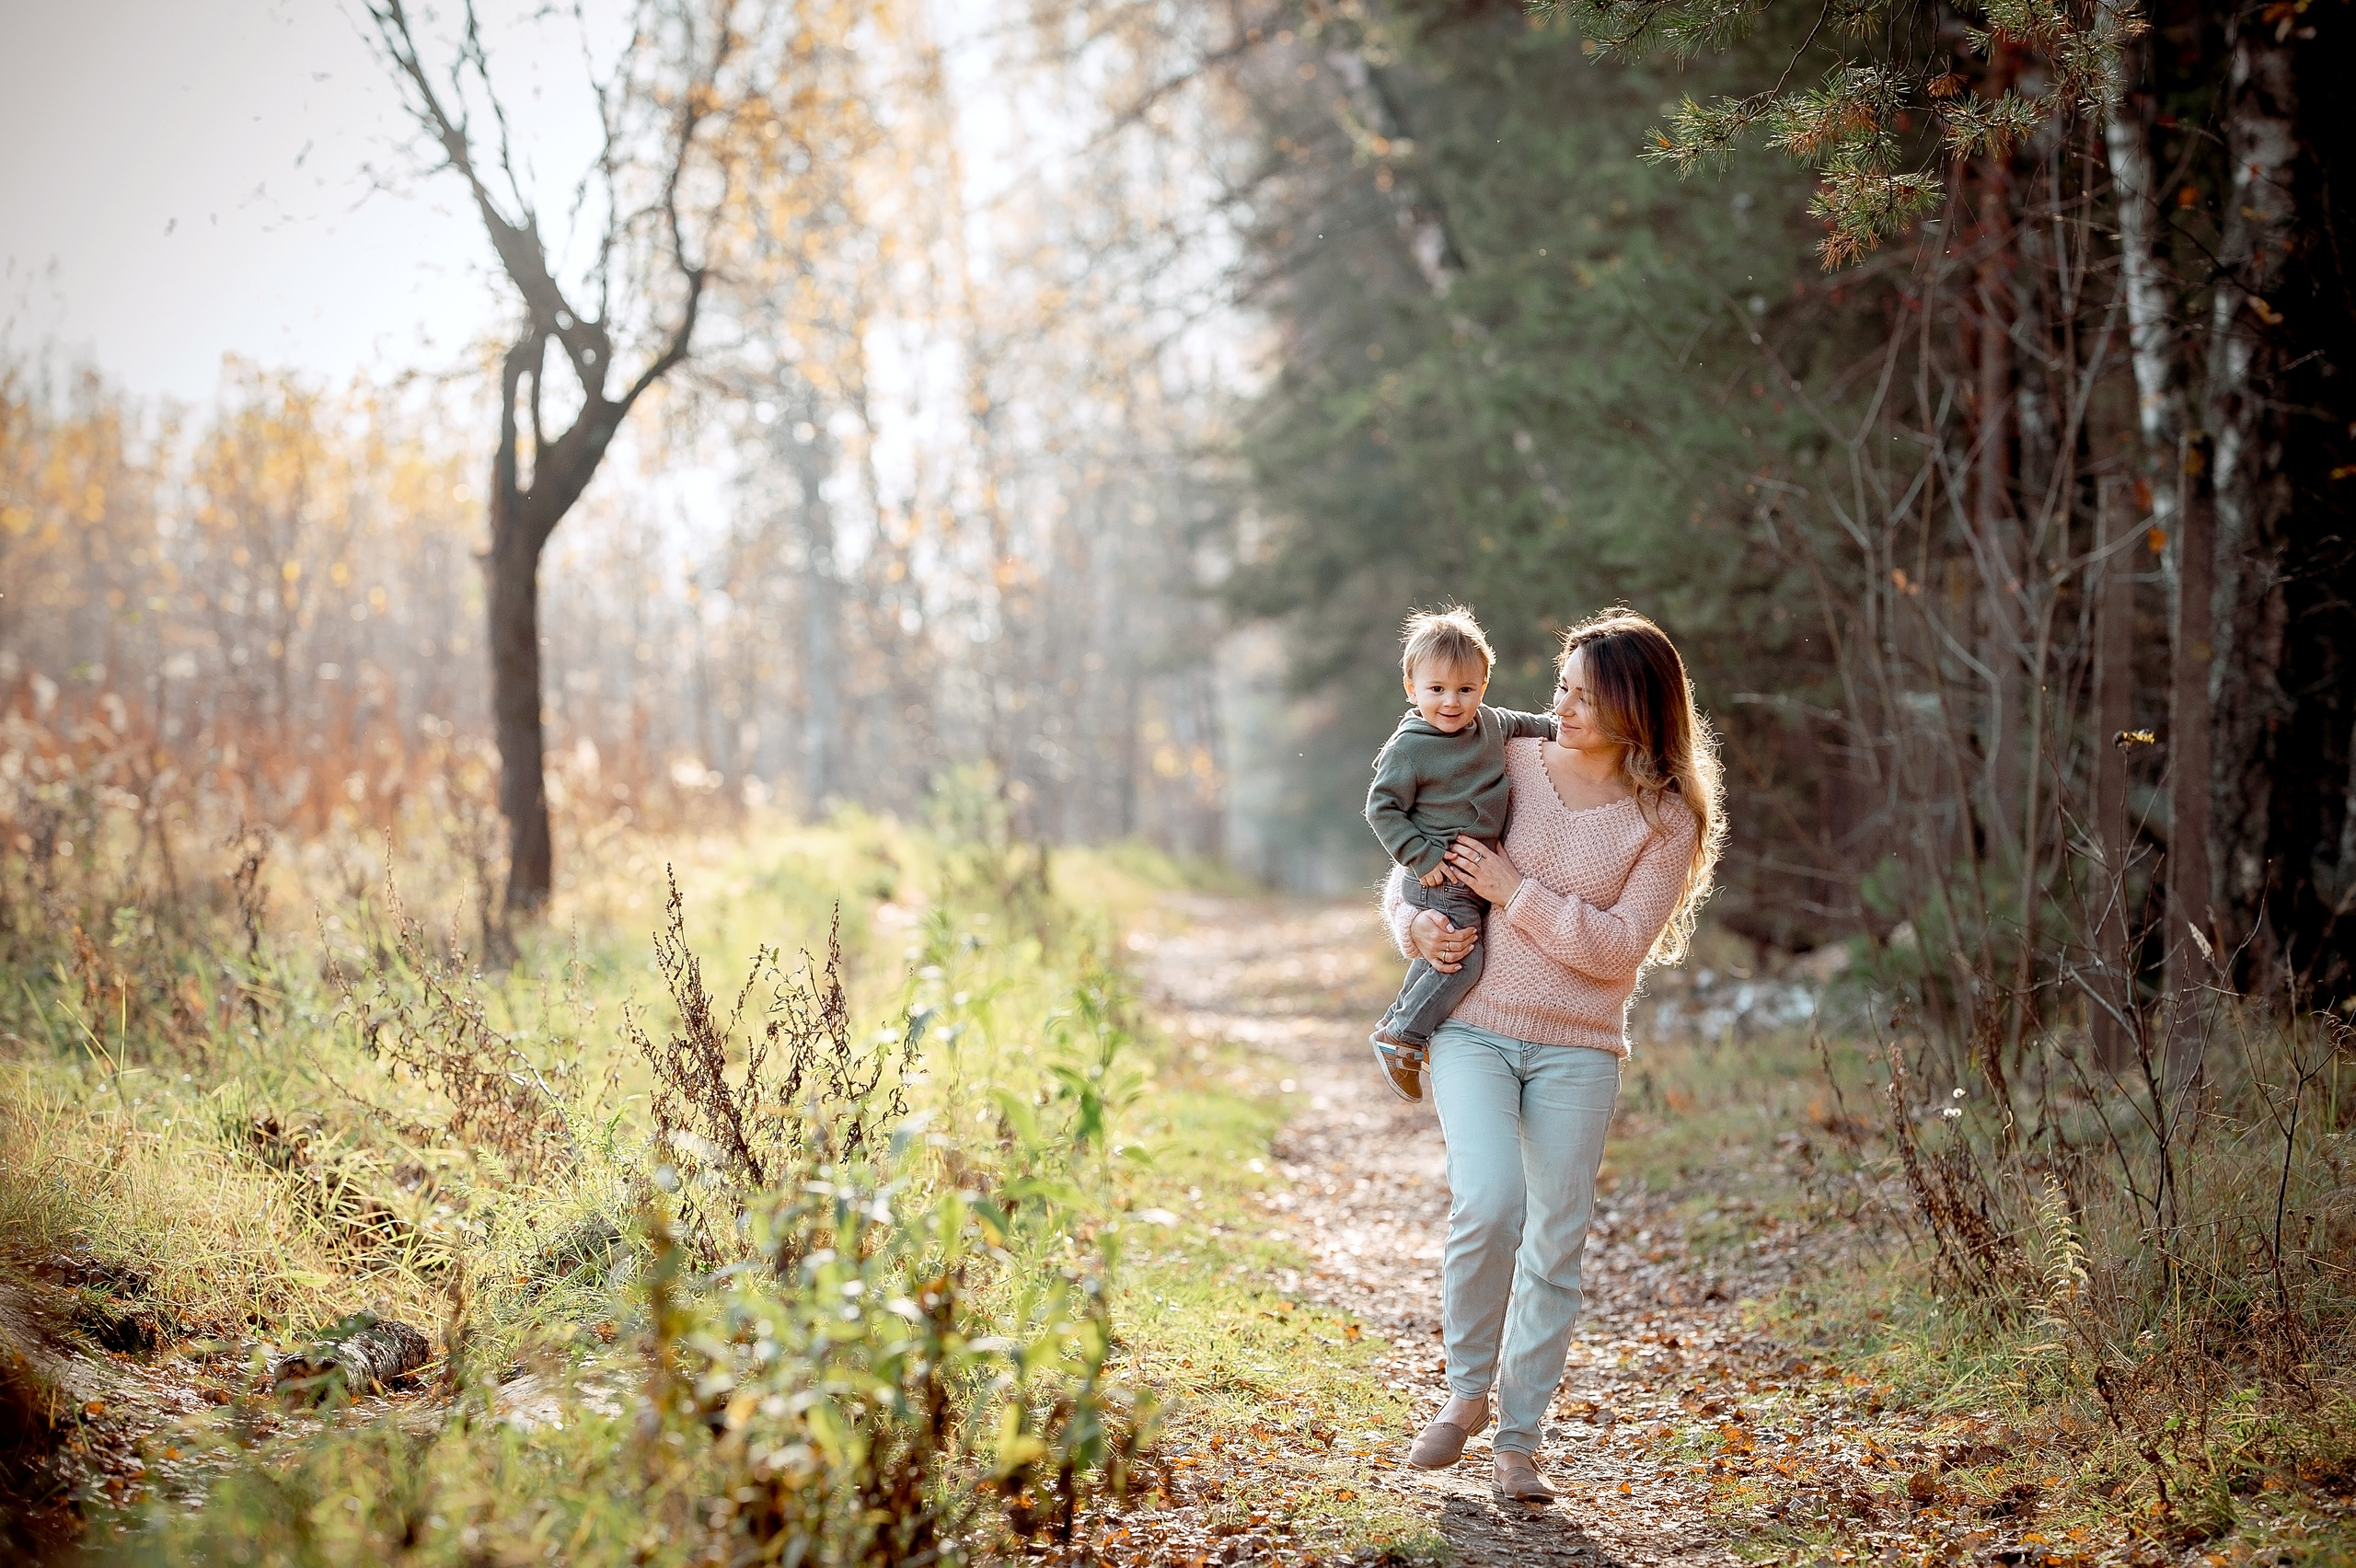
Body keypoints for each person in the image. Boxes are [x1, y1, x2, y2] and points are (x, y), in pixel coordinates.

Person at [1385, 607, 1725, 1504]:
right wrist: (1416, 925)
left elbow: (1618, 949)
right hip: (1474, 1025)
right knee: (1490, 1200)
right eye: (1562, 687)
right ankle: (1462, 1397)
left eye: (1582, 696)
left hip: (1580, 1049)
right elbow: (1412, 867)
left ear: (1636, 710)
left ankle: (1518, 1442)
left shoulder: (1665, 818)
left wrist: (1513, 891)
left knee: (1556, 1241)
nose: (1561, 707)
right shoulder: (1508, 757)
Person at [1362, 606, 1558, 1102]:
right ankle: (1403, 1035)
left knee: (1443, 956)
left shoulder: (1490, 724)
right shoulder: (1409, 747)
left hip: (1466, 871)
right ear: (1411, 687)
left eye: (1465, 690)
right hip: (1440, 872)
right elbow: (1381, 808)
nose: (1451, 702)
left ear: (1483, 686)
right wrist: (1421, 858)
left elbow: (1534, 724)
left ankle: (1397, 1020)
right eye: (1436, 689)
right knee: (1462, 962)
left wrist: (1568, 730)